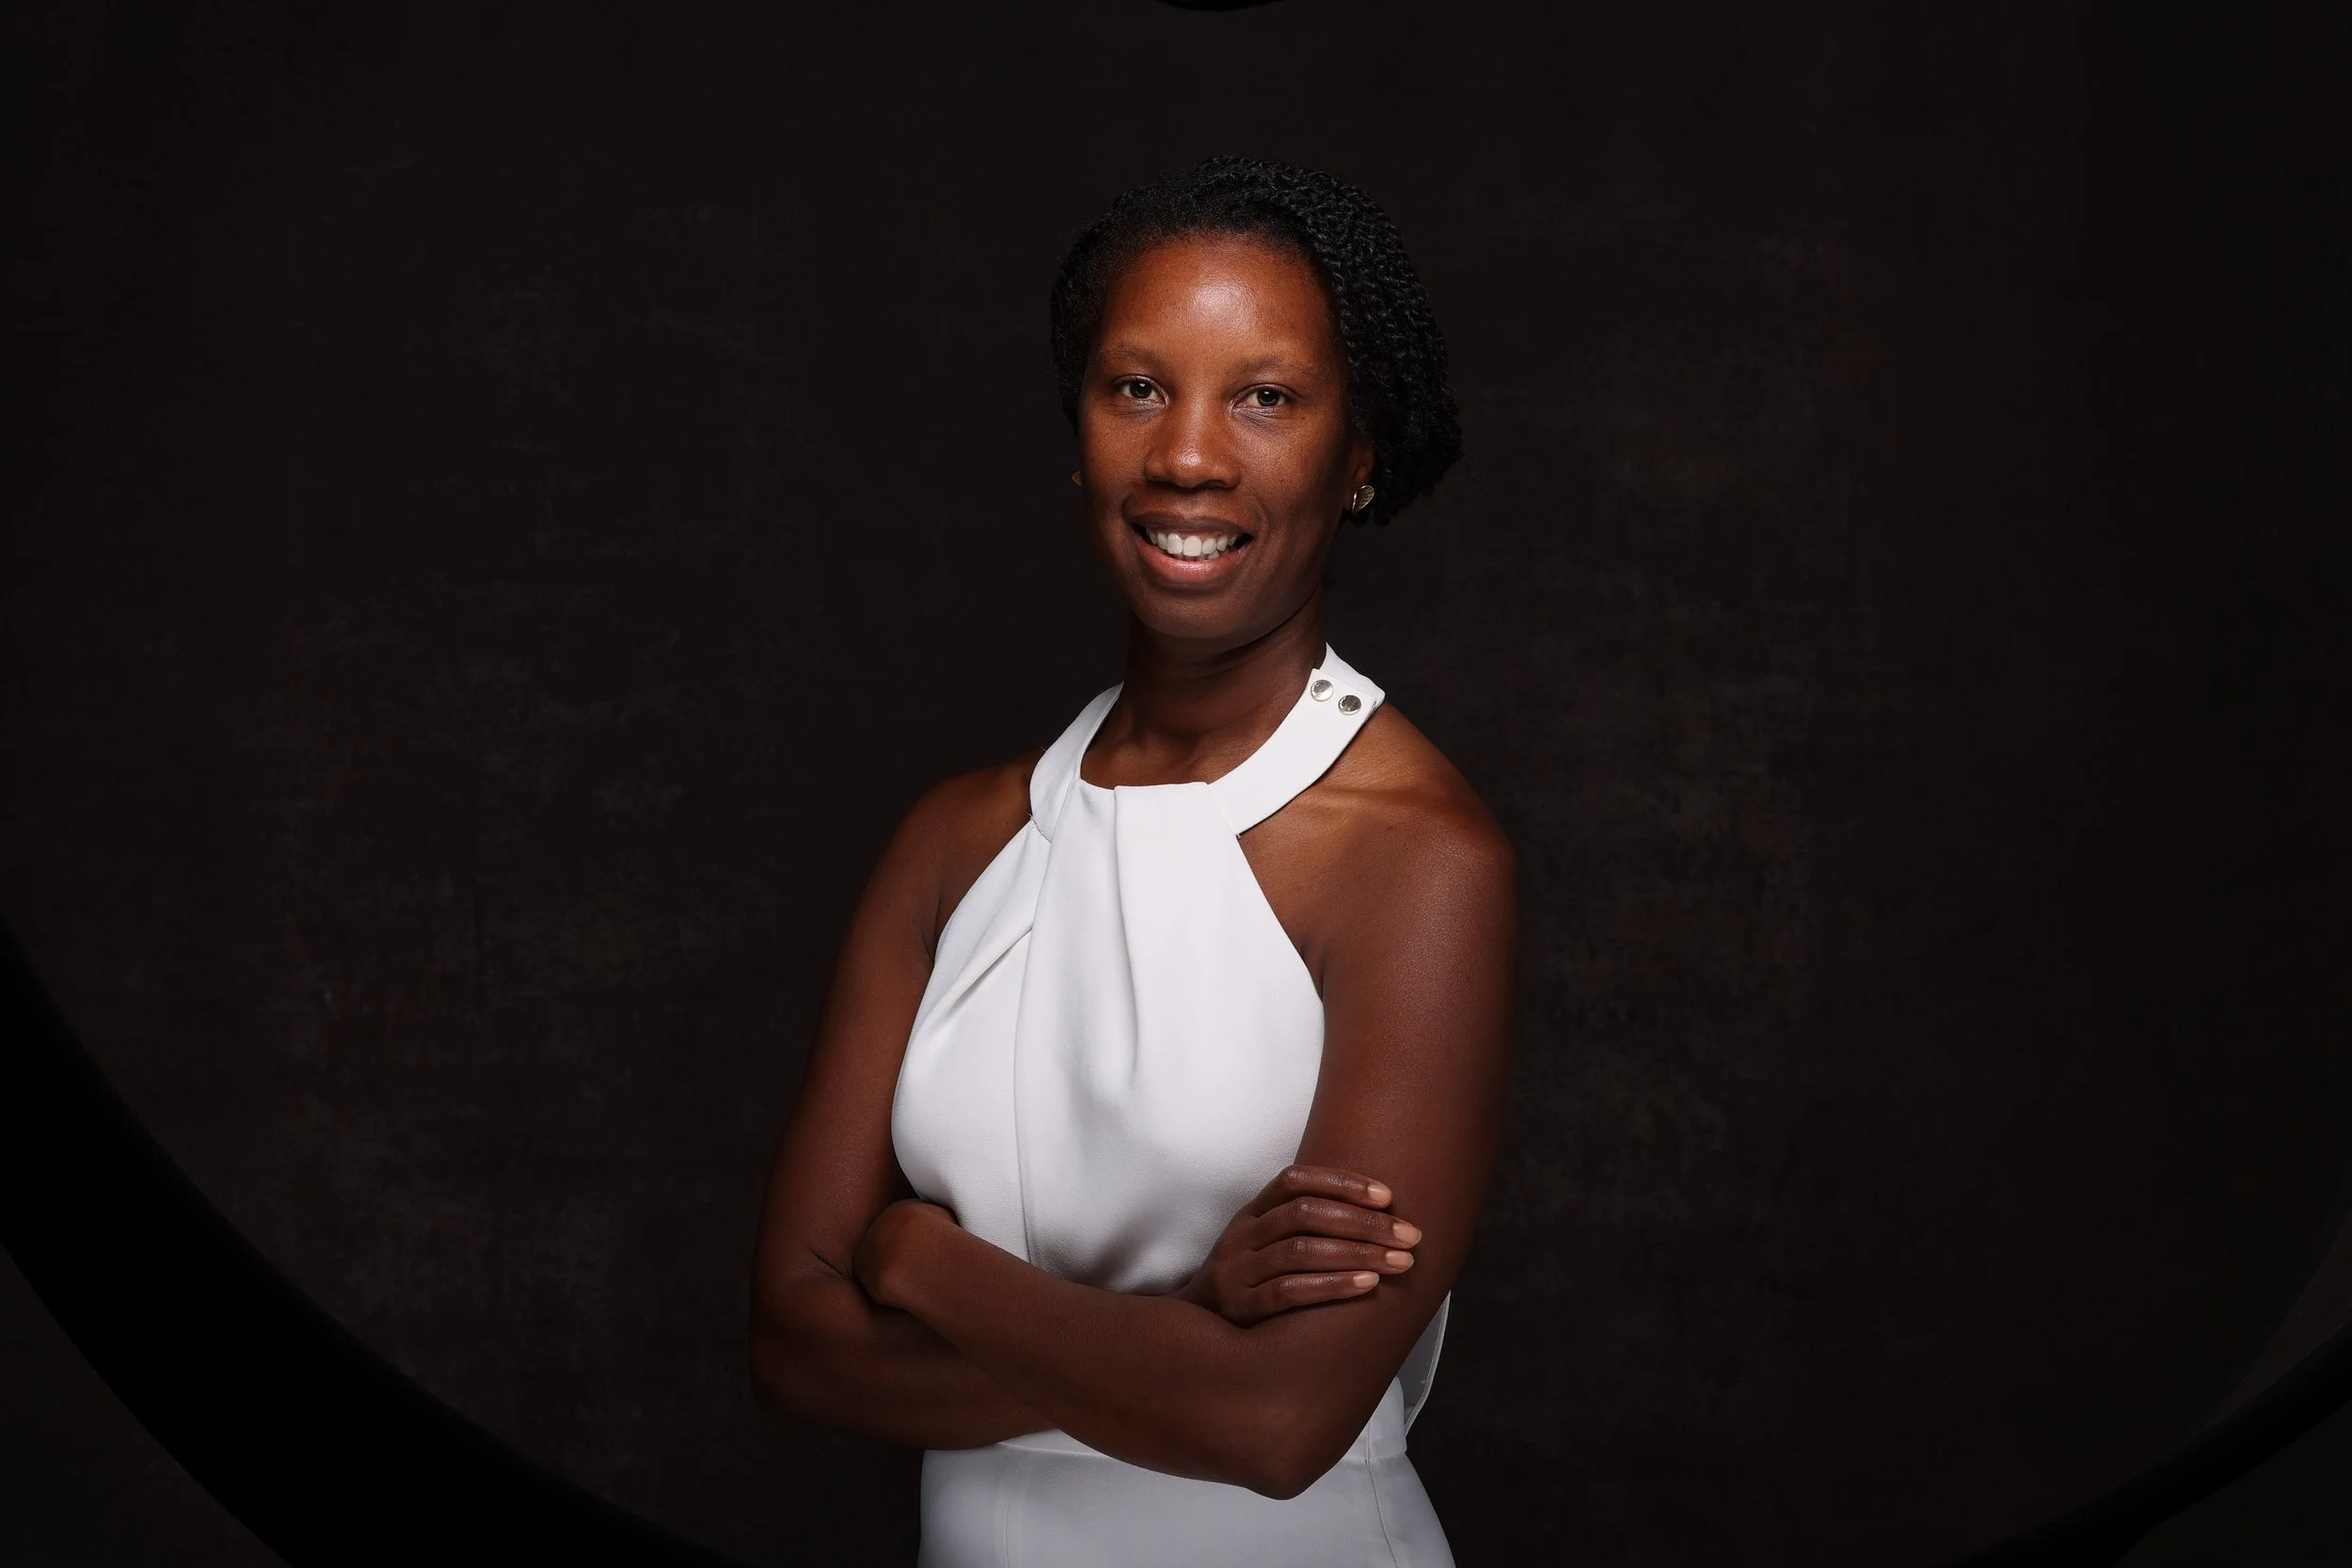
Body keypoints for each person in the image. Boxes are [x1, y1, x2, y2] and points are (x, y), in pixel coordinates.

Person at [749, 155, 1516, 1567]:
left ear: (1359, 455)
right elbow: (793, 1348)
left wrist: (922, 1262)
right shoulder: (954, 842)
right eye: (1139, 387)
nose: (1189, 456)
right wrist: (1185, 1329)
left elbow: (1277, 1422)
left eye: (1266, 396)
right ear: (1080, 428)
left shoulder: (1418, 858)